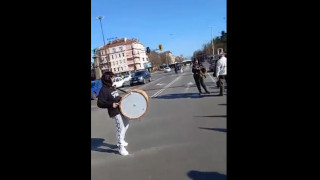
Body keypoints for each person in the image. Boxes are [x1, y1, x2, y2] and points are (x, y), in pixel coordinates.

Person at [97, 71, 130, 156]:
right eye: (112, 77)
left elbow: (116, 97)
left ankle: (121, 139)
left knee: (126, 124)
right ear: (108, 79)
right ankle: (120, 147)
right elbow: (99, 103)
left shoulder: (111, 87)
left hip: (121, 109)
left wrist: (121, 98)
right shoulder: (103, 90)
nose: (113, 78)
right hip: (114, 111)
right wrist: (111, 104)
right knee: (121, 128)